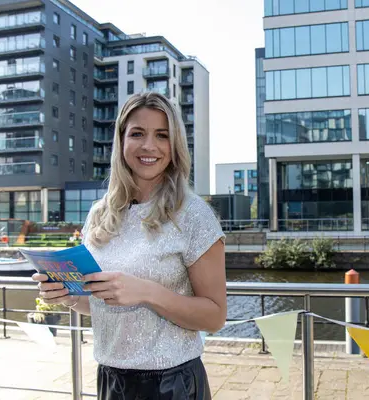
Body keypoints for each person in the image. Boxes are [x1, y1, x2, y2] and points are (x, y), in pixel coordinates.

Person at [32, 92, 227, 399]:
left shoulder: (193, 214)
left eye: (161, 135)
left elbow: (215, 317)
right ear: (121, 141)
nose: (149, 146)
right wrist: (68, 296)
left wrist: (147, 292)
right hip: (111, 380)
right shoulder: (99, 214)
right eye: (137, 133)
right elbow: (99, 305)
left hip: (172, 385)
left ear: (174, 145)